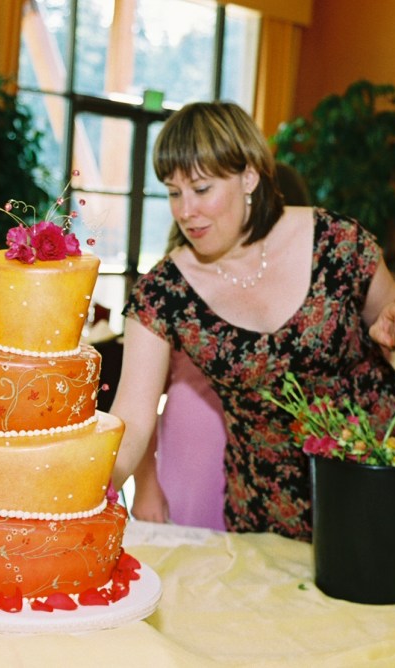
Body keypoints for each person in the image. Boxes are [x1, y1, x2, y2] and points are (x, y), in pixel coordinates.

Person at [110, 101, 395, 541]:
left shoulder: (335, 241)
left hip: (374, 470)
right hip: (266, 501)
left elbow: (390, 304)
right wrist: (81, 489)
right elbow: (131, 418)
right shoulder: (163, 291)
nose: (185, 211)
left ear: (249, 177)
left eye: (201, 189)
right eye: (173, 192)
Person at [129, 163, 314, 531]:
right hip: (198, 442)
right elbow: (138, 407)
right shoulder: (175, 279)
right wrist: (146, 484)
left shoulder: (306, 277)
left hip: (283, 453)